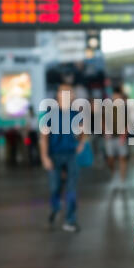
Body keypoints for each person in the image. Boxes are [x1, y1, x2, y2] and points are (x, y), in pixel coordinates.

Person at [39, 84, 85, 233]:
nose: (70, 95)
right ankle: (55, 208)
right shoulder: (50, 113)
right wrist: (45, 157)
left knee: (71, 188)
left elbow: (85, 129)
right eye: (66, 92)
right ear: (59, 95)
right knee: (55, 187)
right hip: (54, 155)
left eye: (71, 93)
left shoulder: (75, 113)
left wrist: (81, 143)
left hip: (71, 155)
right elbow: (44, 137)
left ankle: (70, 220)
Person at [103, 87, 129, 189]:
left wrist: (125, 133)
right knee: (110, 158)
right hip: (110, 137)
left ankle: (122, 179)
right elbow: (102, 119)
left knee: (122, 158)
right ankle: (114, 174)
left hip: (121, 137)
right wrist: (105, 131)